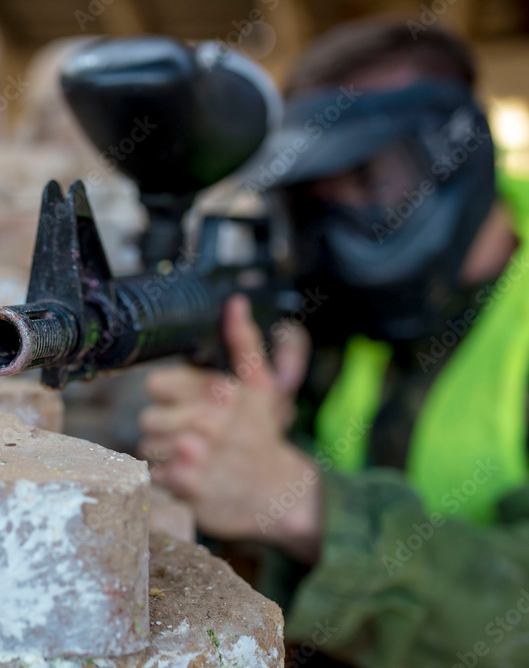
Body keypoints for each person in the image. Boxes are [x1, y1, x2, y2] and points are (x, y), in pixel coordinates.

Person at [138, 19, 529, 667]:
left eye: (368, 176)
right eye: (315, 193)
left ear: (456, 150)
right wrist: (243, 430)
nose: (337, 215)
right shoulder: (325, 313)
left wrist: (303, 504)